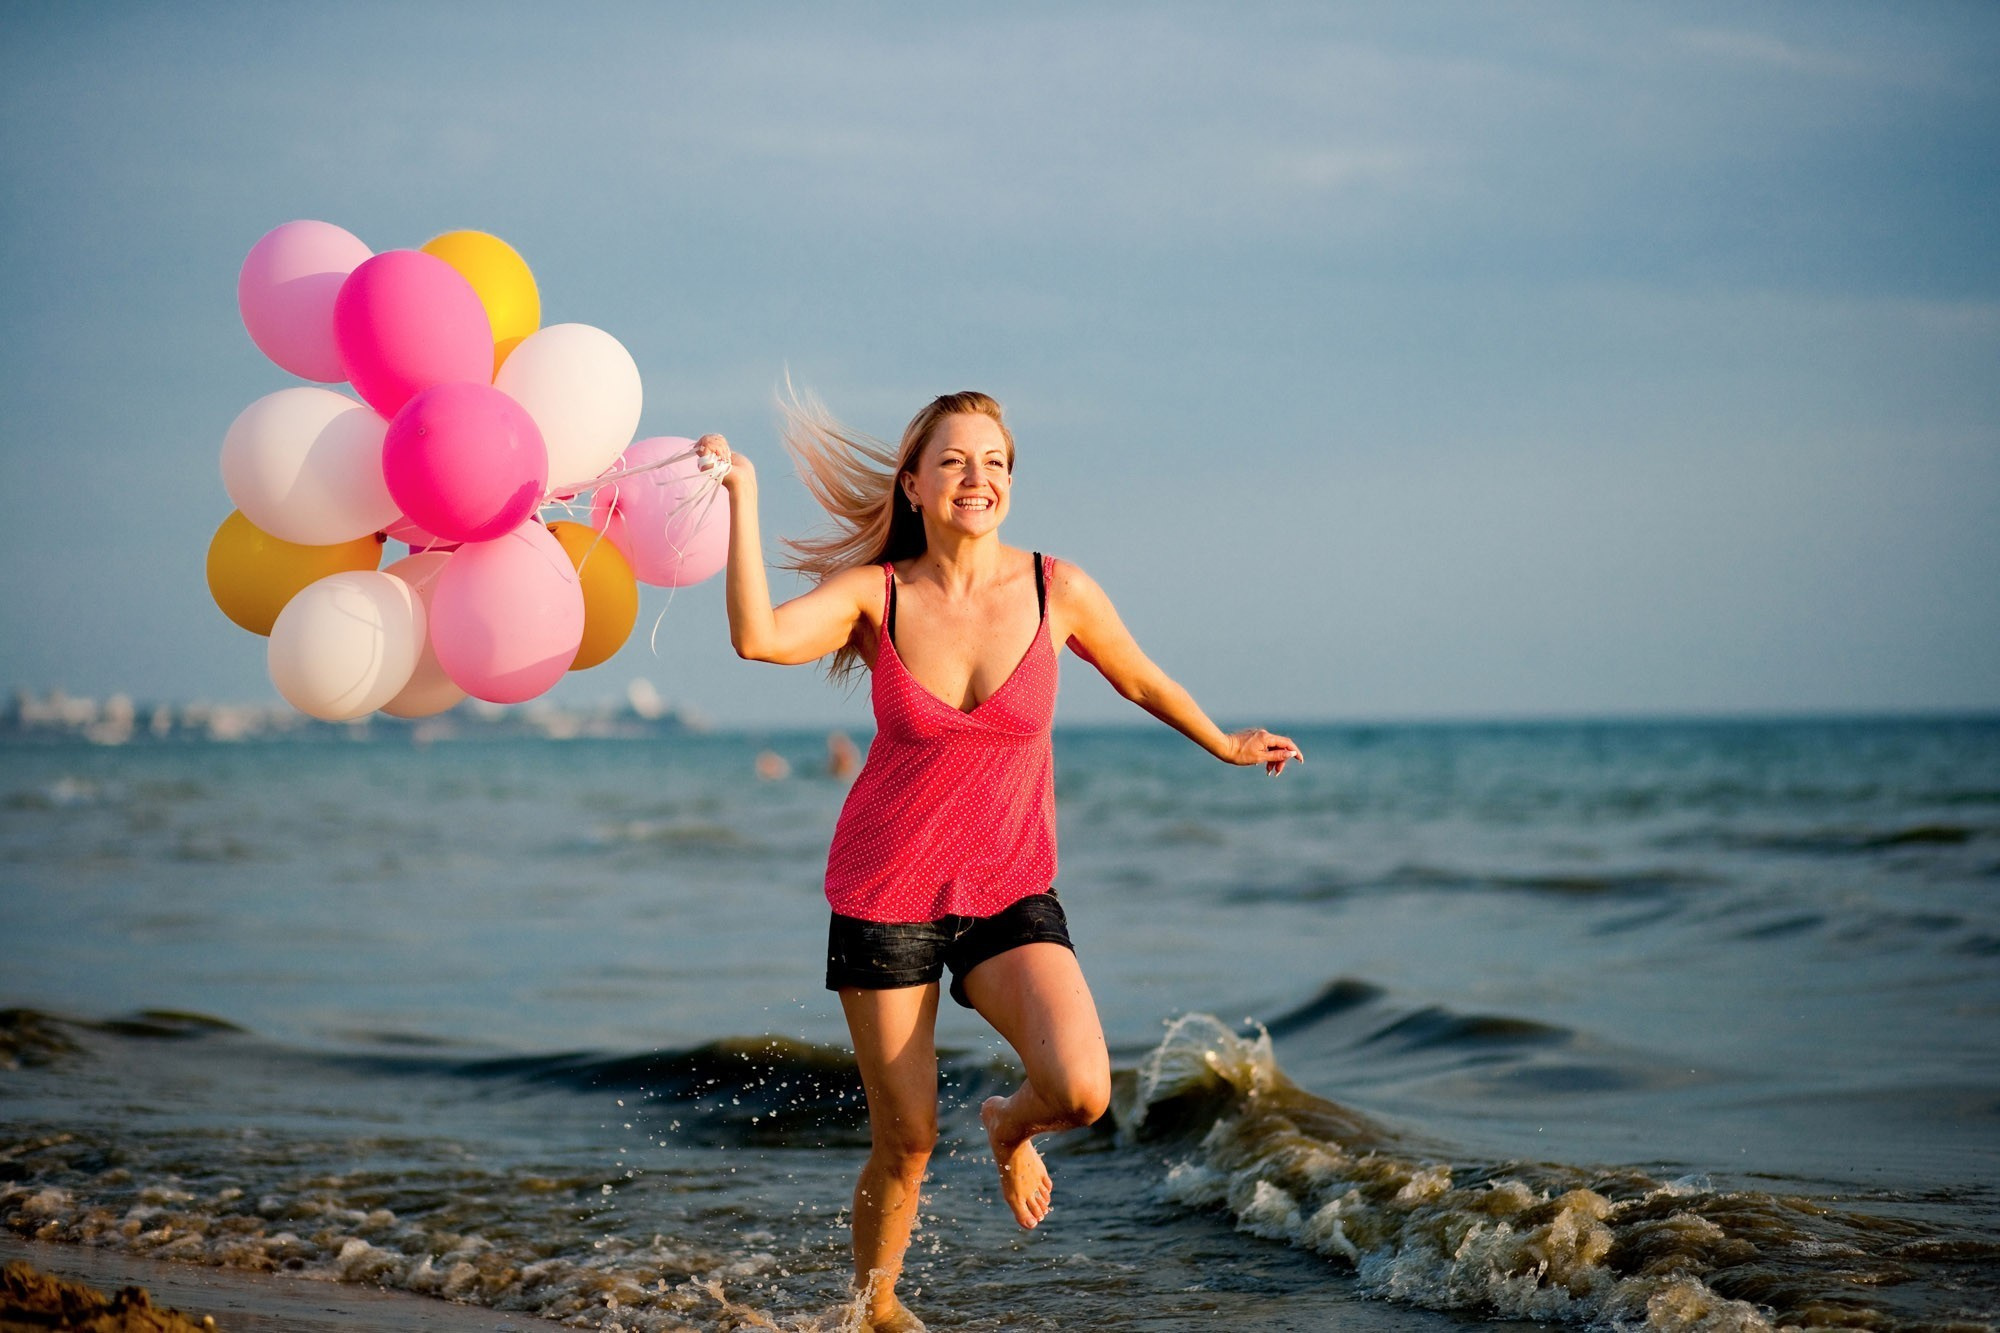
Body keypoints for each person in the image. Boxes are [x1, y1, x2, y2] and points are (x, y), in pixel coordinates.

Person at [692, 391, 1301, 1332]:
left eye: (995, 463)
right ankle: (875, 1307)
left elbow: (1140, 677)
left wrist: (1223, 741)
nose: (978, 478)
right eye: (955, 461)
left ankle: (1010, 1126)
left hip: (1008, 887)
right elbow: (757, 638)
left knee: (1082, 1089)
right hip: (885, 891)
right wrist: (743, 492)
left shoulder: (1060, 589)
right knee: (906, 1139)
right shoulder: (877, 595)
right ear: (914, 484)